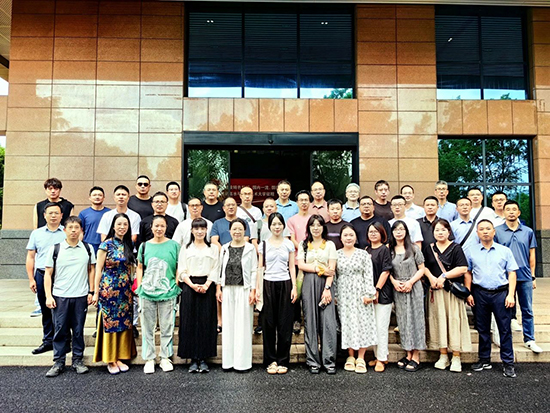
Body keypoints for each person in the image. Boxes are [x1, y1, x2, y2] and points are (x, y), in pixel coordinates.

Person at [466, 219, 519, 378]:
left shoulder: (505, 251)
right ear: (477, 233)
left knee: (504, 329)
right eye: (481, 229)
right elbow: (468, 272)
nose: (485, 232)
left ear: (494, 231)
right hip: (479, 293)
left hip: (501, 293)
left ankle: (508, 363)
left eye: (488, 229)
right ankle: (484, 359)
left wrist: (511, 294)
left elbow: (512, 273)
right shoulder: (471, 251)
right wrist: (468, 293)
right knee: (482, 328)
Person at [43, 216, 95, 377]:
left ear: (81, 230)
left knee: (78, 330)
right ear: (64, 230)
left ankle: (78, 360)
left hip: (80, 296)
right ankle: (58, 362)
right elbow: (48, 274)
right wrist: (48, 296)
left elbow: (91, 270)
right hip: (60, 296)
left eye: (76, 227)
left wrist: (91, 291)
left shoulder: (87, 248)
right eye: (70, 228)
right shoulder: (56, 249)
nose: (73, 230)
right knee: (60, 329)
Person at [423, 219, 472, 373]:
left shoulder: (456, 248)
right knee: (439, 321)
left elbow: (463, 268)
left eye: (443, 230)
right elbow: (423, 266)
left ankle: (456, 356)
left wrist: (444, 276)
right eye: (437, 230)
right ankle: (443, 354)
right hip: (435, 291)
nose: (440, 233)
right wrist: (432, 278)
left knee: (454, 321)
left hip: (451, 292)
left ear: (449, 232)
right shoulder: (429, 248)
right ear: (433, 233)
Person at [92, 213, 137, 375]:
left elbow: (131, 268)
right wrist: (95, 292)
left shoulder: (128, 244)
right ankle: (110, 359)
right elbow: (98, 270)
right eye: (119, 224)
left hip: (125, 292)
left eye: (125, 224)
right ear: (113, 226)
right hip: (108, 290)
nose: (122, 227)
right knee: (110, 323)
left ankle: (120, 356)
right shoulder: (106, 245)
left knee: (124, 323)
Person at [495, 200, 543, 354]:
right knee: (505, 310)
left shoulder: (528, 231)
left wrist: (533, 276)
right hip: (505, 277)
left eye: (514, 209)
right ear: (503, 212)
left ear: (519, 213)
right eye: (508, 209)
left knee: (527, 309)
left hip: (525, 276)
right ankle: (504, 339)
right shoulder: (497, 231)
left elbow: (532, 255)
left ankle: (530, 339)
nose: (511, 212)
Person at [135, 215, 181, 374]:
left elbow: (179, 266)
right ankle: (149, 358)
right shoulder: (144, 246)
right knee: (148, 327)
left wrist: (176, 284)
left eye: (162, 226)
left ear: (166, 227)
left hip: (168, 291)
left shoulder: (174, 245)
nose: (159, 229)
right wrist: (140, 286)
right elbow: (140, 267)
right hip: (147, 292)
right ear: (151, 228)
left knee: (167, 326)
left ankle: (165, 357)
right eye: (156, 226)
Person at [177, 218, 220, 373]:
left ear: (206, 230)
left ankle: (203, 358)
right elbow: (181, 269)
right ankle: (193, 359)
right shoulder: (185, 248)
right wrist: (192, 285)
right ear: (192, 231)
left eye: (202, 228)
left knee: (206, 321)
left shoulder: (213, 248)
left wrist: (207, 284)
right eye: (197, 228)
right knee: (189, 321)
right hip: (189, 286)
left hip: (207, 286)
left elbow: (216, 268)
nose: (200, 231)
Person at [297, 215, 338, 374]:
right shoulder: (303, 244)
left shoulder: (329, 245)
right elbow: (301, 265)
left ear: (323, 227)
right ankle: (313, 361)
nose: (316, 228)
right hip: (308, 283)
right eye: (312, 225)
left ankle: (329, 361)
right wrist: (318, 269)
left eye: (319, 225)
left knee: (328, 323)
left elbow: (331, 270)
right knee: (310, 322)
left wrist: (327, 288)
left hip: (325, 284)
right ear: (308, 228)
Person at [257, 213, 297, 374]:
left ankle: (283, 360)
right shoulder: (263, 245)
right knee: (268, 323)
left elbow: (292, 266)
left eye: (279, 224)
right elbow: (260, 267)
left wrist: (294, 287)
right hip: (268, 283)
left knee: (285, 323)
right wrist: (258, 288)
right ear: (269, 226)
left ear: (283, 226)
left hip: (285, 283)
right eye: (274, 224)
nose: (277, 227)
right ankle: (270, 360)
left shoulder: (289, 244)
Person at [26, 203, 67, 355]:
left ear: (61, 216)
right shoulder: (36, 234)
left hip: (62, 276)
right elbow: (31, 257)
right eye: (50, 213)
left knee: (63, 310)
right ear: (44, 215)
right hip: (42, 275)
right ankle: (48, 341)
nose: (53, 216)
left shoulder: (66, 232)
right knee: (46, 309)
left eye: (56, 213)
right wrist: (31, 279)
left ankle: (64, 340)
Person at [217, 218, 257, 371]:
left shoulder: (250, 248)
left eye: (240, 229)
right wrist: (219, 288)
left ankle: (242, 363)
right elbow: (220, 270)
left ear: (245, 231)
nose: (237, 232)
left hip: (244, 289)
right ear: (229, 231)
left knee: (243, 325)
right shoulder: (224, 248)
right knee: (229, 325)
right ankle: (228, 362)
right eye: (234, 229)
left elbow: (254, 270)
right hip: (227, 289)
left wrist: (253, 290)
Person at [336, 224, 377, 374]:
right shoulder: (336, 254)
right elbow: (334, 276)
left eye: (351, 235)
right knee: (347, 323)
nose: (348, 238)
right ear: (341, 238)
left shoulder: (363, 254)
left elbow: (369, 274)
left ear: (356, 237)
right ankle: (350, 356)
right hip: (344, 294)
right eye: (345, 235)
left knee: (362, 323)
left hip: (360, 293)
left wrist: (369, 294)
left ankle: (361, 357)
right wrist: (335, 295)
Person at [389, 220, 426, 372]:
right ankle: (407, 353)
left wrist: (410, 282)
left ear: (406, 232)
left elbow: (422, 269)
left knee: (416, 319)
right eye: (396, 229)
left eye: (401, 229)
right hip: (398, 288)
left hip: (414, 286)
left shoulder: (414, 248)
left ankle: (416, 355)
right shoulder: (390, 250)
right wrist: (394, 282)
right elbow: (387, 270)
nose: (399, 232)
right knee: (403, 321)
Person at [366, 222, 393, 373]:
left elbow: (386, 271)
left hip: (382, 293)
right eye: (370, 231)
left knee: (381, 327)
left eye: (376, 231)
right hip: (370, 292)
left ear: (382, 234)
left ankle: (381, 359)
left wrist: (377, 289)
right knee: (374, 327)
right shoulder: (366, 250)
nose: (373, 234)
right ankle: (379, 356)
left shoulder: (384, 250)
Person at [287, 190, 312, 334]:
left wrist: (310, 252)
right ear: (296, 202)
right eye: (301, 200)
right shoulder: (292, 220)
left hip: (312, 261)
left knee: (309, 292)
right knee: (296, 290)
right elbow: (292, 239)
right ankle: (296, 320)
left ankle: (310, 320)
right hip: (297, 261)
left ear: (310, 202)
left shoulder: (313, 219)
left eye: (306, 200)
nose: (303, 202)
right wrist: (304, 250)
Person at [78, 186, 110, 253]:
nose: (97, 197)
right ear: (90, 198)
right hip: (88, 246)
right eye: (94, 195)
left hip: (106, 246)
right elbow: (80, 231)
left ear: (104, 198)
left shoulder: (109, 213)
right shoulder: (83, 213)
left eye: (100, 195)